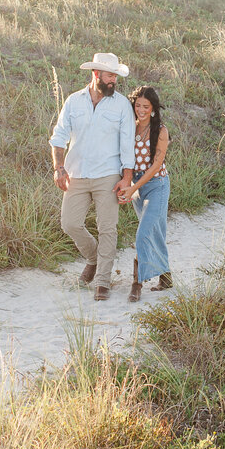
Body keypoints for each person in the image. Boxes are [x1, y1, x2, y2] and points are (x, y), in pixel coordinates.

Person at [50, 52, 135, 301]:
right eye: (110, 76)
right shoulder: (74, 101)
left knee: (107, 228)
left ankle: (102, 281)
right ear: (95, 74)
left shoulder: (121, 105)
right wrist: (59, 168)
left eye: (116, 77)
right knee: (70, 223)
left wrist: (126, 178)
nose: (114, 81)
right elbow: (58, 137)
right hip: (76, 174)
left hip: (108, 175)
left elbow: (127, 144)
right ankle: (94, 259)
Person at [117, 85, 172, 302]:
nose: (141, 110)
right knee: (155, 231)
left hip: (157, 184)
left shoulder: (161, 130)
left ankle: (137, 282)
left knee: (143, 232)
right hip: (136, 186)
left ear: (153, 108)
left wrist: (133, 187)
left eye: (146, 106)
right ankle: (166, 277)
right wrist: (126, 184)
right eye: (138, 105)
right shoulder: (129, 127)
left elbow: (156, 165)